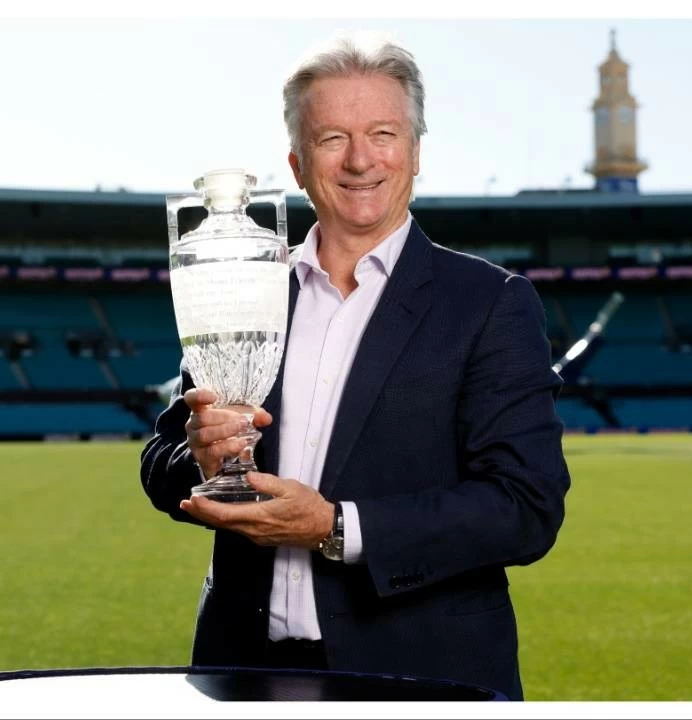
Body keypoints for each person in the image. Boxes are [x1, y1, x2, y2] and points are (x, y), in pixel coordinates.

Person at [140, 33, 570, 701]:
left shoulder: (490, 303)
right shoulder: (246, 286)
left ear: (416, 152)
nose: (361, 159)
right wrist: (199, 457)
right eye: (333, 138)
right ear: (298, 161)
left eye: (383, 133)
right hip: (243, 672)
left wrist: (338, 528)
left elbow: (526, 506)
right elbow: (161, 457)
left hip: (422, 676)